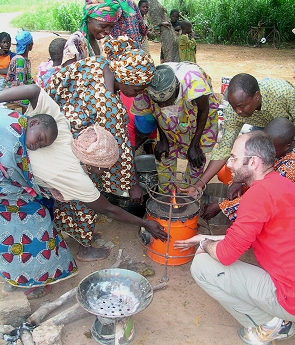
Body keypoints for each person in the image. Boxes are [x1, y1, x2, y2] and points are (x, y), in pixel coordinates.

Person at [0, 85, 167, 263]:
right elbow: (110, 210)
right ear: (93, 163)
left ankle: (77, 237)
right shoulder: (73, 174)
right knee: (31, 233)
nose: (103, 173)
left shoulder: (59, 127)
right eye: (103, 168)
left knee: (74, 203)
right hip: (9, 182)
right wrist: (145, 223)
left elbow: (34, 90)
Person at [174, 131, 295, 345]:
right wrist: (205, 236)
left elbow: (226, 255)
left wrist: (204, 244)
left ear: (254, 162)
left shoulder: (257, 196)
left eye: (233, 158)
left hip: (289, 296)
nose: (229, 164)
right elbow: (244, 236)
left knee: (201, 265)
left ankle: (270, 324)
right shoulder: (283, 184)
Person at [0, 108, 78, 300]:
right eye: (41, 138)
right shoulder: (13, 134)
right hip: (8, 197)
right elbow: (16, 173)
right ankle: (33, 277)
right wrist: (40, 191)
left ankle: (16, 275)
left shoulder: (11, 118)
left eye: (43, 145)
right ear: (33, 123)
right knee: (37, 222)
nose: (39, 145)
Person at [193, 73, 295, 191]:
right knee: (259, 162)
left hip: (288, 128)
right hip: (263, 128)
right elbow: (224, 148)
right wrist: (200, 184)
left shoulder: (283, 93)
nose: (238, 111)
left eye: (242, 106)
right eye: (234, 106)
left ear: (257, 96)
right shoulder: (233, 111)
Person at [132, 62, 219, 193]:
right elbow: (155, 111)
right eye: (159, 103)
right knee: (163, 155)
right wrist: (163, 139)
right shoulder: (149, 84)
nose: (163, 106)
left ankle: (189, 196)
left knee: (196, 159)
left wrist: (195, 145)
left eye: (167, 102)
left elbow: (203, 110)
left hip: (198, 116)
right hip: (173, 115)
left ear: (177, 88)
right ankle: (166, 197)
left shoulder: (194, 83)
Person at [202, 118, 295, 221]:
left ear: (287, 146)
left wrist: (221, 206)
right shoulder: (276, 149)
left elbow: (261, 199)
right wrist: (239, 181)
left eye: (273, 148)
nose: (266, 151)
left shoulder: (290, 168)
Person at [61, 0, 134, 66]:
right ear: (89, 19)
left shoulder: (106, 41)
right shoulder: (75, 42)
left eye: (111, 27)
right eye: (103, 26)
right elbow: (68, 76)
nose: (108, 31)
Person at [5, 29, 34, 108]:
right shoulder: (20, 60)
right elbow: (20, 84)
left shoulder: (25, 60)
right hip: (13, 93)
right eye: (31, 43)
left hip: (17, 91)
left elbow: (28, 80)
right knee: (34, 101)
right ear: (29, 45)